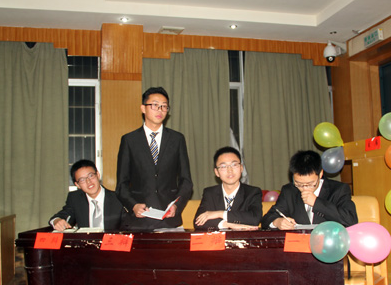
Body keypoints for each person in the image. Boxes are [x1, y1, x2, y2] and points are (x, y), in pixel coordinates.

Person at [116, 86, 193, 231]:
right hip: (140, 219)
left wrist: (177, 205)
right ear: (143, 108)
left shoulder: (177, 139)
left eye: (164, 106)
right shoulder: (129, 140)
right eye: (155, 105)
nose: (160, 110)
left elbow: (186, 181)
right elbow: (121, 184)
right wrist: (133, 205)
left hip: (169, 218)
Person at [261, 150, 357, 229]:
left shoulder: (338, 189)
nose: (304, 188)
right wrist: (277, 222)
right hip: (298, 243)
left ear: (320, 174)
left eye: (310, 184)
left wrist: (316, 203)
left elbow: (351, 220)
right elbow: (267, 219)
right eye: (299, 184)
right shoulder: (289, 191)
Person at [194, 146, 262, 231]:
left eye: (234, 165)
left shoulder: (252, 192)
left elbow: (254, 218)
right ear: (216, 172)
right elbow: (198, 221)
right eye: (223, 166)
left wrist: (220, 214)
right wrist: (226, 224)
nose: (230, 170)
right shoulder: (210, 193)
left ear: (241, 168)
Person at [49, 159, 125, 231]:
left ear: (98, 175)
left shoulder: (118, 199)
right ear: (77, 185)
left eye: (91, 176)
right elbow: (61, 216)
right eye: (82, 180)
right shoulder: (75, 199)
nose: (88, 181)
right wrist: (57, 221)